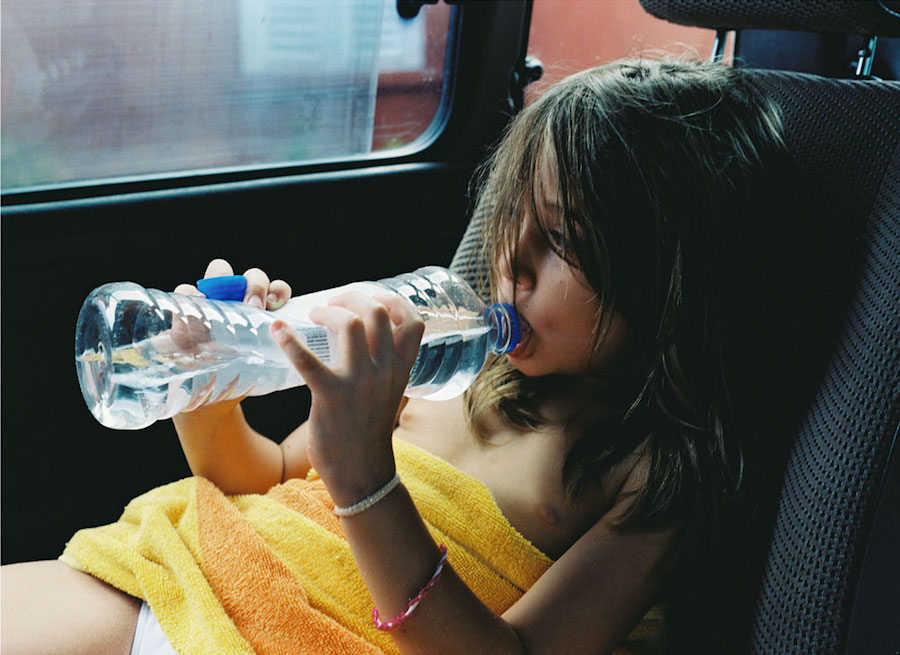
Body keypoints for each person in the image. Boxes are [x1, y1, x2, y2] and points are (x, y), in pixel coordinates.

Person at [1, 56, 787, 655]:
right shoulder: (453, 363)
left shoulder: (657, 476)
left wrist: (366, 479)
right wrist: (209, 382)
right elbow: (261, 478)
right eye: (515, 216)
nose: (512, 259)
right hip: (197, 575)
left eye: (565, 242)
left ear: (674, 292)